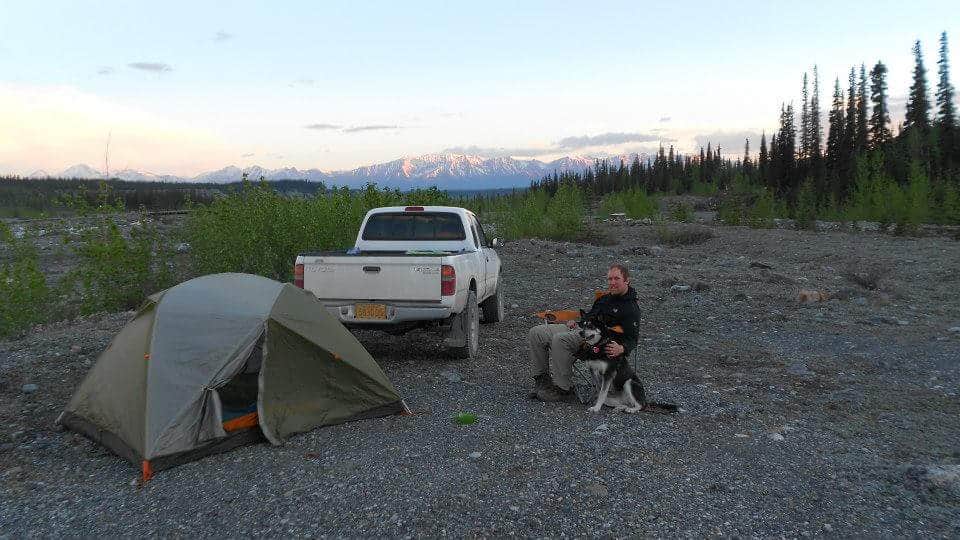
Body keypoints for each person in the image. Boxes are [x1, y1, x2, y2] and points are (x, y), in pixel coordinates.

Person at [528, 263, 641, 402]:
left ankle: (564, 389)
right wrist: (577, 323)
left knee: (560, 339)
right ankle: (543, 382)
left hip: (598, 341)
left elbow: (632, 338)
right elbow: (589, 318)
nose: (612, 283)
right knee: (536, 333)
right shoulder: (604, 299)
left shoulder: (631, 308)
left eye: (616, 279)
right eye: (610, 279)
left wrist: (622, 348)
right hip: (582, 330)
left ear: (627, 280)